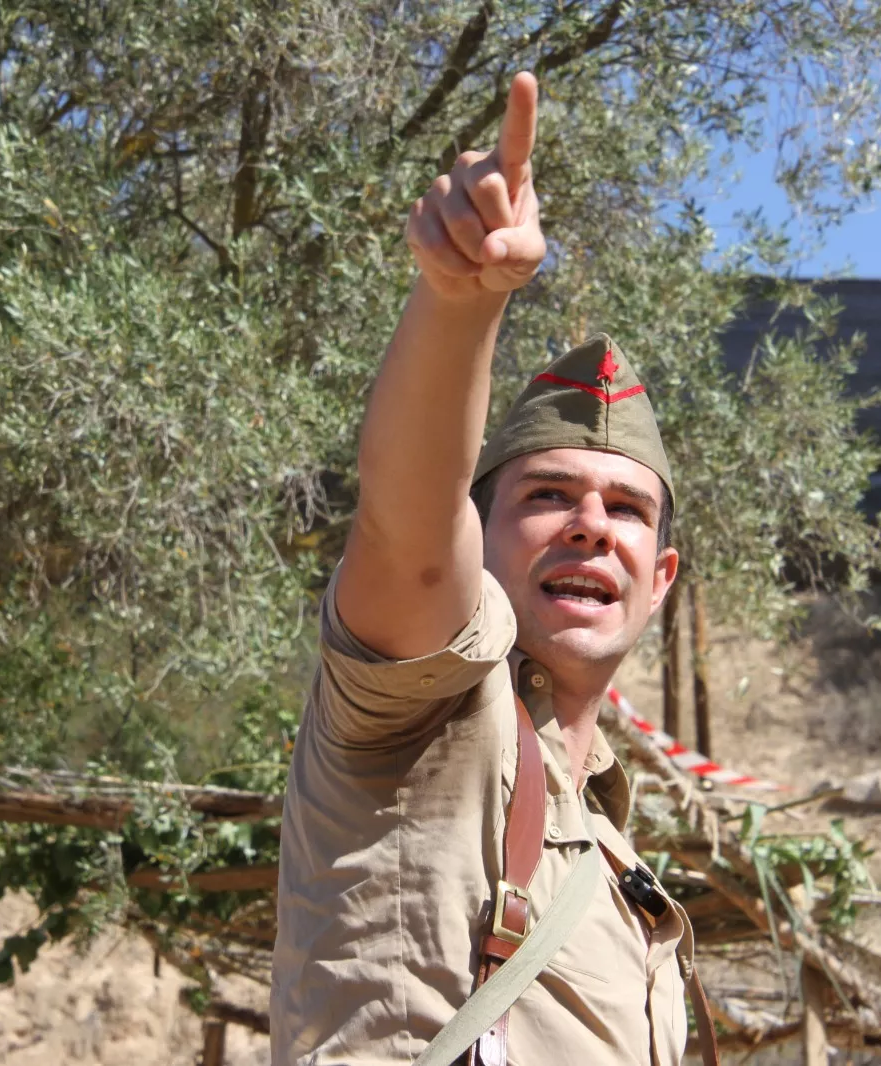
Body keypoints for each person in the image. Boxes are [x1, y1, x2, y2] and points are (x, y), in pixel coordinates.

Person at [270, 71, 707, 1066]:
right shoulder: (433, 707)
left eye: (627, 509)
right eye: (548, 496)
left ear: (661, 574)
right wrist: (461, 302)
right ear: (477, 535)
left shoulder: (610, 837)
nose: (593, 525)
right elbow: (405, 524)